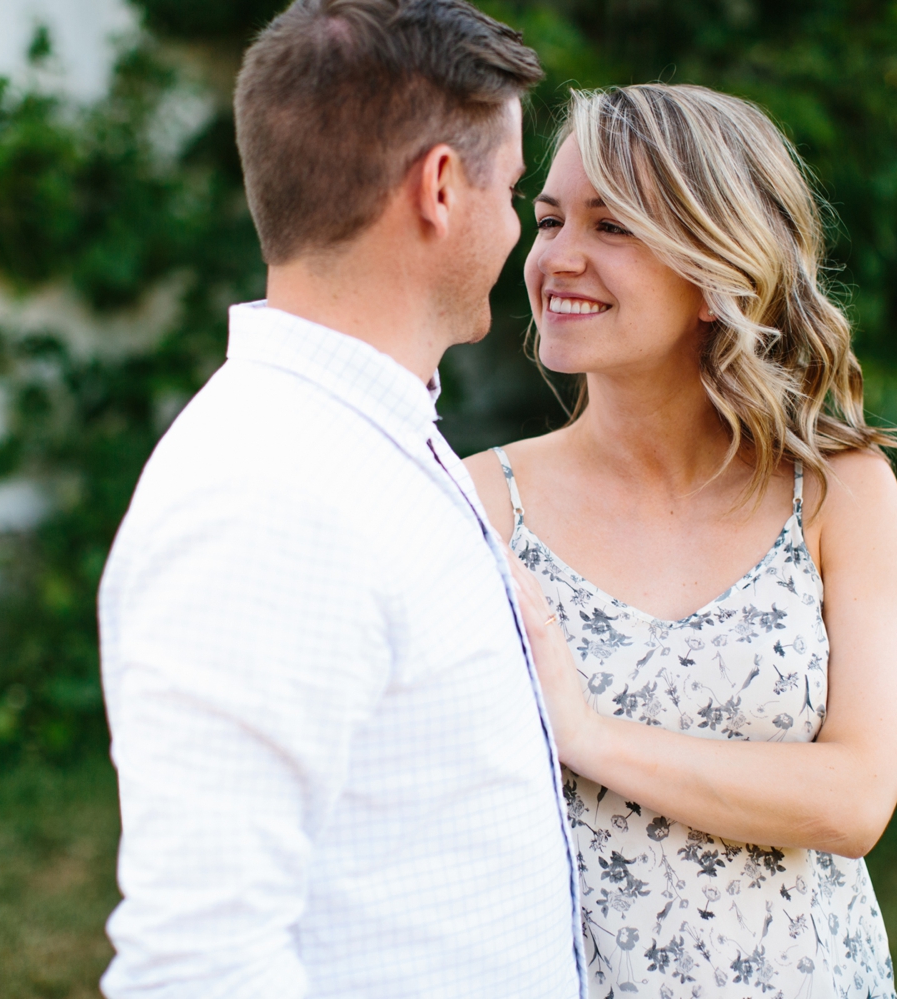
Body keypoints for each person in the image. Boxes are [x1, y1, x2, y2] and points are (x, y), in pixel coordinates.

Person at [97, 2, 586, 995]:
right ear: (441, 188)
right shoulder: (265, 495)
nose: (516, 232)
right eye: (516, 192)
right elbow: (197, 963)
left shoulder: (371, 434)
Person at [464, 84, 897, 997]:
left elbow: (857, 797)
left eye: (613, 227)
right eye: (550, 220)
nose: (559, 257)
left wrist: (589, 735)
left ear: (716, 272)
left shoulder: (838, 490)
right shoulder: (476, 504)